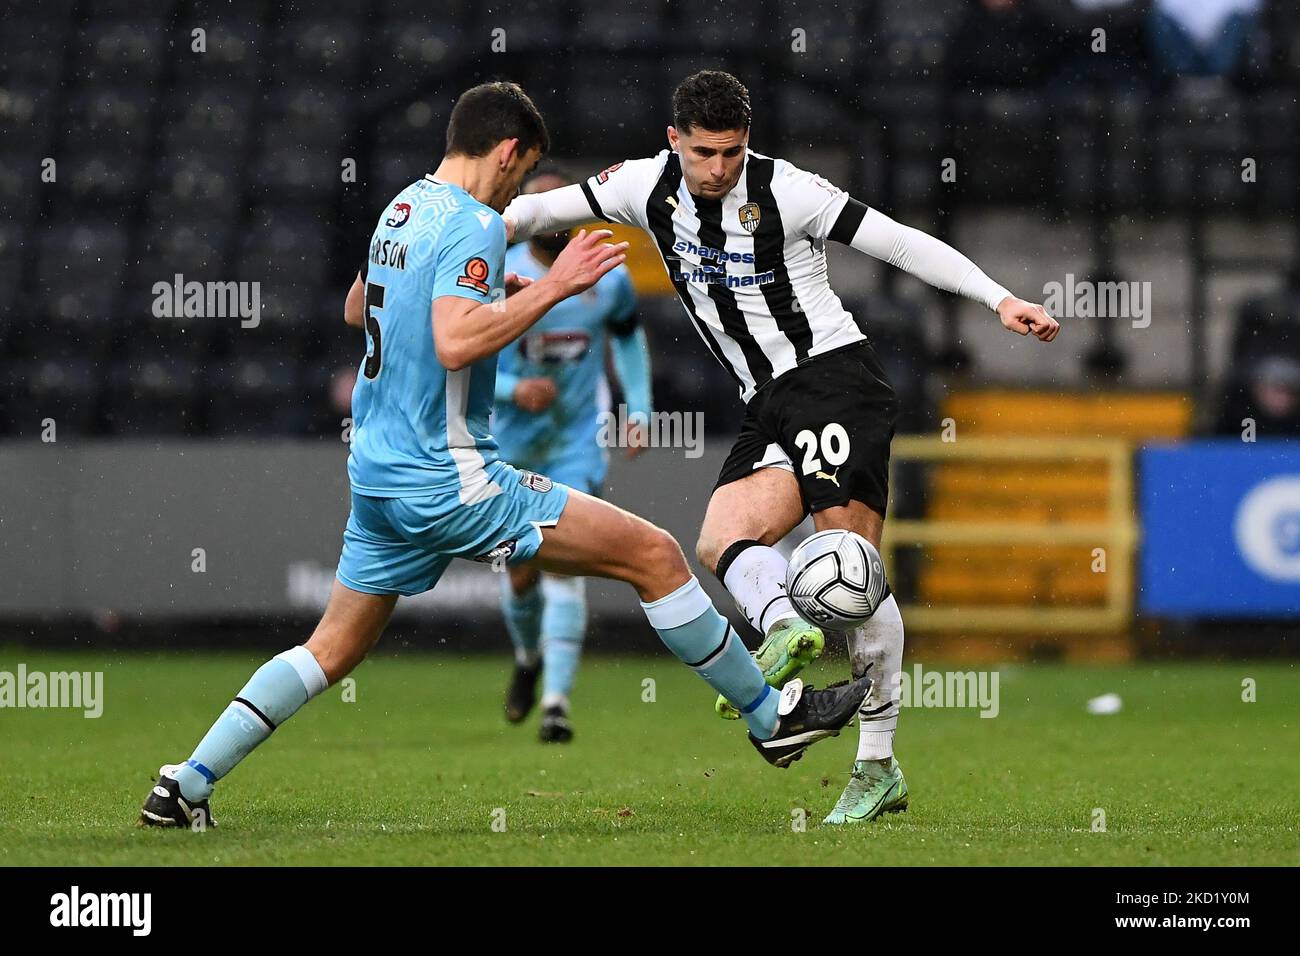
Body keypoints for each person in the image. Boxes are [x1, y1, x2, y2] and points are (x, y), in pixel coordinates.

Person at [139, 81, 870, 829]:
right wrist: (551, 287)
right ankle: (769, 717)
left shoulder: (401, 207)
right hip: (450, 477)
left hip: (378, 475)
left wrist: (497, 293)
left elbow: (361, 307)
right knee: (653, 555)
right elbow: (455, 340)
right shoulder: (479, 224)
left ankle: (185, 783)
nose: (521, 192)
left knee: (329, 650)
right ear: (510, 152)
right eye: (524, 173)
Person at [503, 70, 1060, 825]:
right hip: (767, 402)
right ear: (675, 141)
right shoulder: (641, 187)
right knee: (719, 540)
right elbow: (533, 210)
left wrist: (1000, 298)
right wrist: (446, 229)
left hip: (834, 382)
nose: (720, 169)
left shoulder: (787, 190)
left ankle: (876, 765)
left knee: (856, 573)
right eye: (705, 153)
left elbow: (895, 241)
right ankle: (784, 628)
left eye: (733, 153)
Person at [493, 170, 653, 743]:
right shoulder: (495, 269)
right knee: (520, 576)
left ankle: (556, 703)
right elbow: (456, 352)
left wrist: (640, 408)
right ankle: (527, 657)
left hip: (574, 443)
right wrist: (515, 389)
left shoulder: (605, 275)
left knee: (563, 566)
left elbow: (629, 336)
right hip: (507, 443)